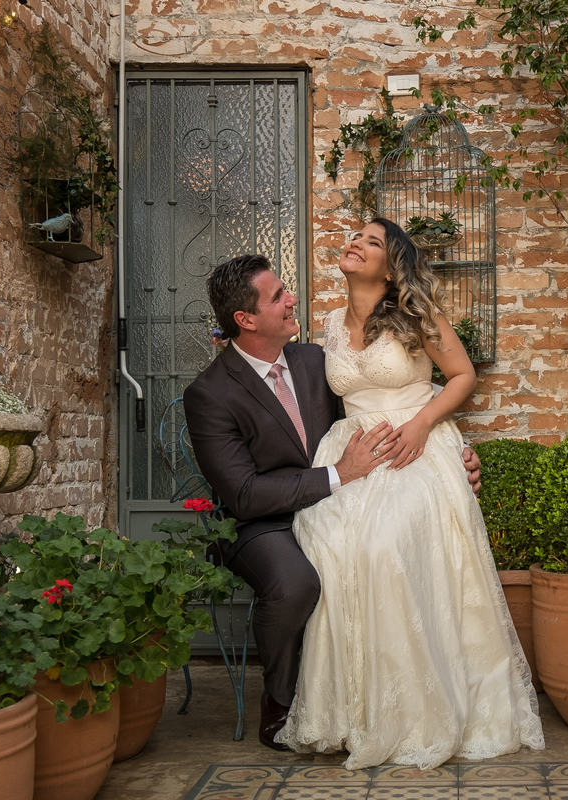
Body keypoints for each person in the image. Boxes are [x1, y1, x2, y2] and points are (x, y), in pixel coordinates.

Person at [183, 253, 482, 751]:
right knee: (298, 581)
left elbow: (389, 391)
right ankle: (281, 698)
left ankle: (368, 698)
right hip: (260, 522)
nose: (292, 299)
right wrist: (338, 474)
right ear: (245, 320)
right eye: (278, 296)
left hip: (336, 500)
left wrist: (453, 451)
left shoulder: (311, 360)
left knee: (378, 549)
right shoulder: (209, 394)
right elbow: (244, 494)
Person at [275, 218, 545, 770]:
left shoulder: (417, 314)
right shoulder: (327, 324)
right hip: (351, 450)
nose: (356, 242)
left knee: (382, 547)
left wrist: (422, 424)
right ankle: (352, 715)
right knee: (324, 544)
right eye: (356, 235)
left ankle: (414, 713)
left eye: (372, 241)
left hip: (414, 446)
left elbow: (462, 375)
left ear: (391, 267)